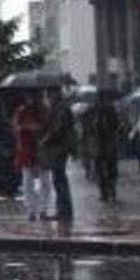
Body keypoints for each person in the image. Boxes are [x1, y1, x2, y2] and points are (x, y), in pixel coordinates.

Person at [12, 92, 50, 220]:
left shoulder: (44, 111)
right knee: (28, 182)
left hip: (41, 151)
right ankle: (32, 210)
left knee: (44, 182)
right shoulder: (22, 111)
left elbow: (49, 128)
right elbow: (16, 128)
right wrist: (27, 127)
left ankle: (42, 209)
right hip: (27, 150)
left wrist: (39, 128)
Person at [39, 88, 76, 223]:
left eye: (49, 93)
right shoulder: (57, 107)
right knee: (58, 178)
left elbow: (58, 129)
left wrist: (45, 139)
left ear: (55, 93)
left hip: (59, 148)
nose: (47, 96)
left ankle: (64, 211)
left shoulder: (61, 108)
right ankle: (62, 210)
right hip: (58, 147)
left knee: (60, 179)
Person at [91, 92, 120, 203]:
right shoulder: (94, 112)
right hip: (99, 145)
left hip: (109, 144)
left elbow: (116, 126)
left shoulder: (110, 111)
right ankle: (104, 192)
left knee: (111, 169)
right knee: (100, 170)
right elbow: (92, 128)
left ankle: (111, 190)